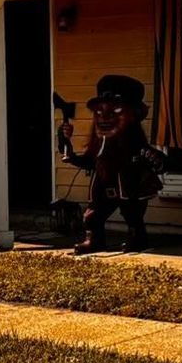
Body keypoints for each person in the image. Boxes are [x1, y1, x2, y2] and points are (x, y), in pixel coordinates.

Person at [57, 75, 166, 254]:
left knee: (133, 214)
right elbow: (89, 161)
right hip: (103, 181)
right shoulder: (99, 144)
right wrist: (65, 142)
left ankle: (137, 238)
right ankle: (95, 240)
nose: (104, 118)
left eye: (115, 111)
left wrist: (156, 159)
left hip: (129, 183)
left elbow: (156, 160)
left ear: (134, 115)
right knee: (93, 215)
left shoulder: (135, 144)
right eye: (99, 112)